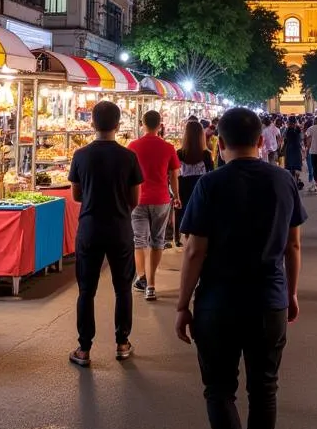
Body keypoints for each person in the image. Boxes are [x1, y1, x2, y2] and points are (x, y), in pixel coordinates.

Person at [176, 107, 306, 429]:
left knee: (219, 389)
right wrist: (292, 293)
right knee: (264, 388)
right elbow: (293, 245)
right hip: (268, 299)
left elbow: (195, 250)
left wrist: (182, 304)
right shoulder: (283, 180)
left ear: (221, 140)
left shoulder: (210, 184)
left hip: (218, 302)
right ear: (261, 138)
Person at [68, 101, 143, 366]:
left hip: (89, 228)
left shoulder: (81, 155)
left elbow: (76, 194)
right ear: (118, 124)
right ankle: (122, 343)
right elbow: (135, 198)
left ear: (91, 123)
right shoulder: (129, 156)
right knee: (123, 289)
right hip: (120, 228)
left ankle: (84, 349)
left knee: (86, 291)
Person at [128, 109, 182, 301]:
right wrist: (176, 196)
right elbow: (174, 176)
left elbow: (128, 176)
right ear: (160, 125)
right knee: (157, 241)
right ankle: (151, 285)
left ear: (142, 124)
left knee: (139, 241)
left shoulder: (132, 146)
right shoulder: (168, 148)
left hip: (138, 199)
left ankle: (141, 278)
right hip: (161, 199)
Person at [175, 119, 215, 244]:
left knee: (181, 213)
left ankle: (178, 237)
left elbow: (175, 174)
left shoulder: (179, 153)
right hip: (200, 189)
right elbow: (211, 174)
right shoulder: (206, 155)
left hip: (182, 188)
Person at [283, 115, 304, 188]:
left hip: (289, 149)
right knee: (297, 166)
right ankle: (297, 180)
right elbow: (301, 140)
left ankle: (292, 181)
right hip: (297, 149)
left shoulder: (287, 130)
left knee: (290, 166)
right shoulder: (299, 130)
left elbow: (285, 140)